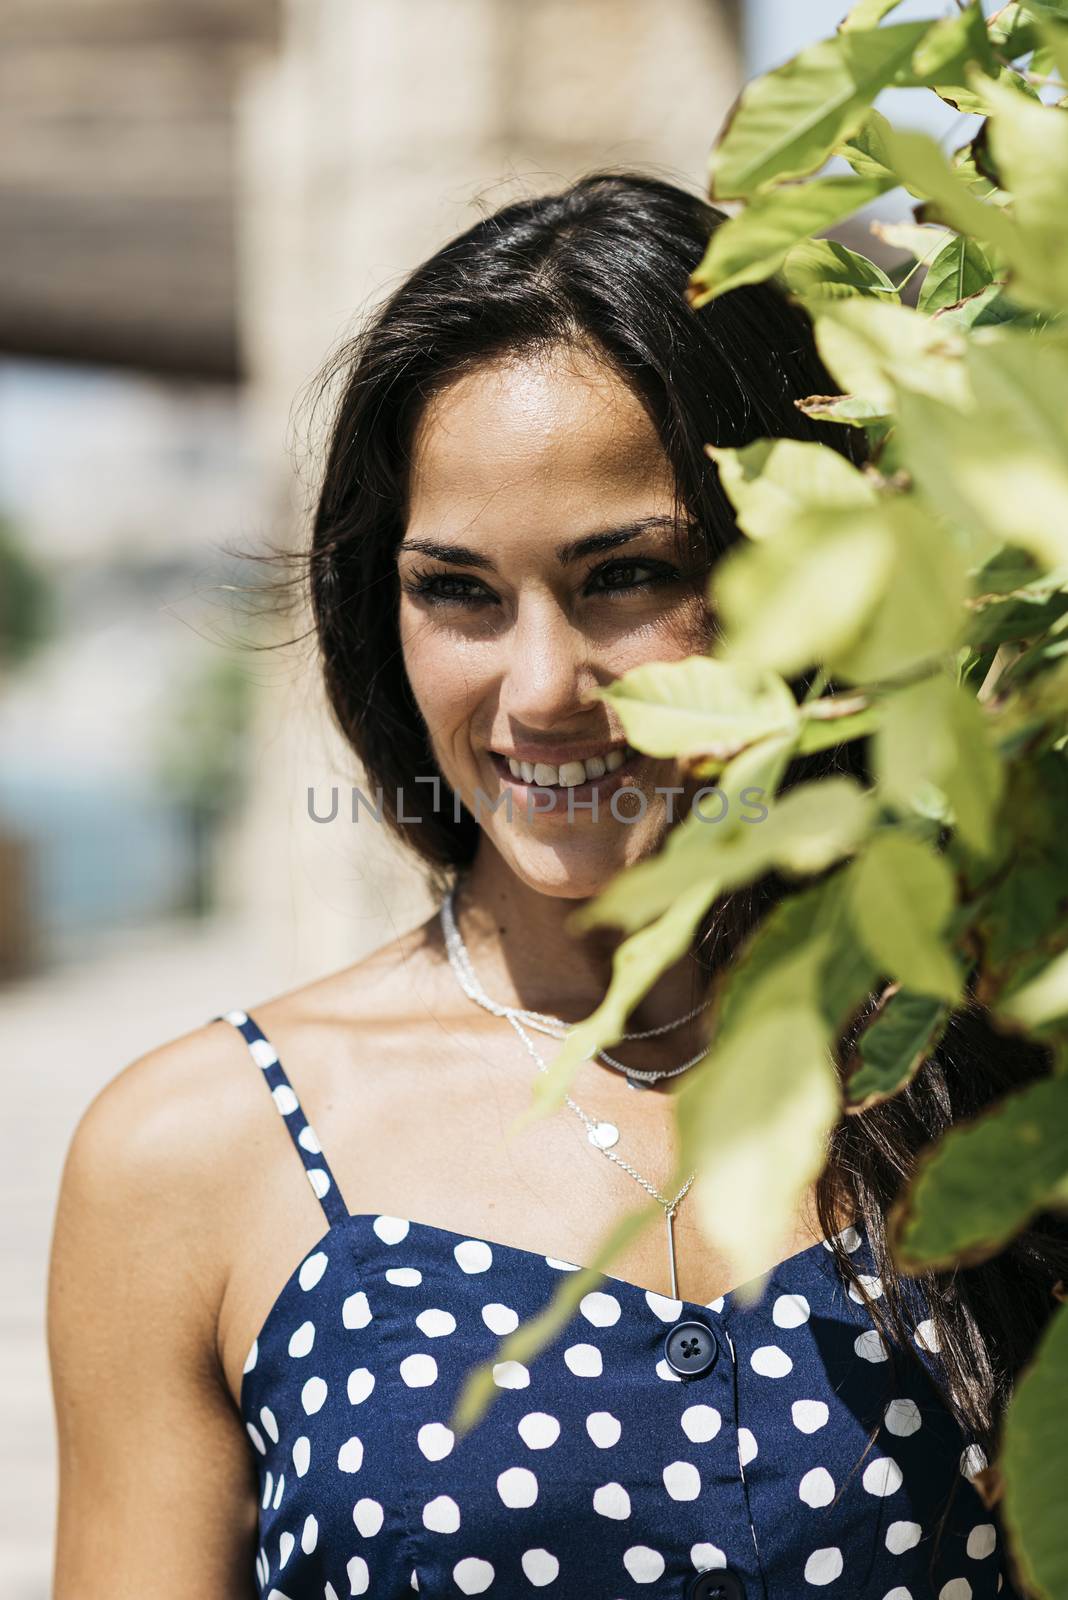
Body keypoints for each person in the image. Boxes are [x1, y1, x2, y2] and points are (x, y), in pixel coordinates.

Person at [48, 172, 1058, 1600]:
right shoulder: (195, 1155)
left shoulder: (994, 1062)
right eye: (458, 591)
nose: (540, 691)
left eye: (627, 576)